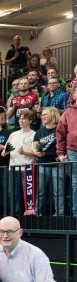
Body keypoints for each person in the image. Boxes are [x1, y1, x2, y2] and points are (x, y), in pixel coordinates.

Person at [57, 87, 77, 215]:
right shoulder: (67, 113)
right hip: (73, 151)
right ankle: (76, 214)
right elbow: (60, 134)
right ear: (73, 95)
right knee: (76, 184)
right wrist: (60, 153)